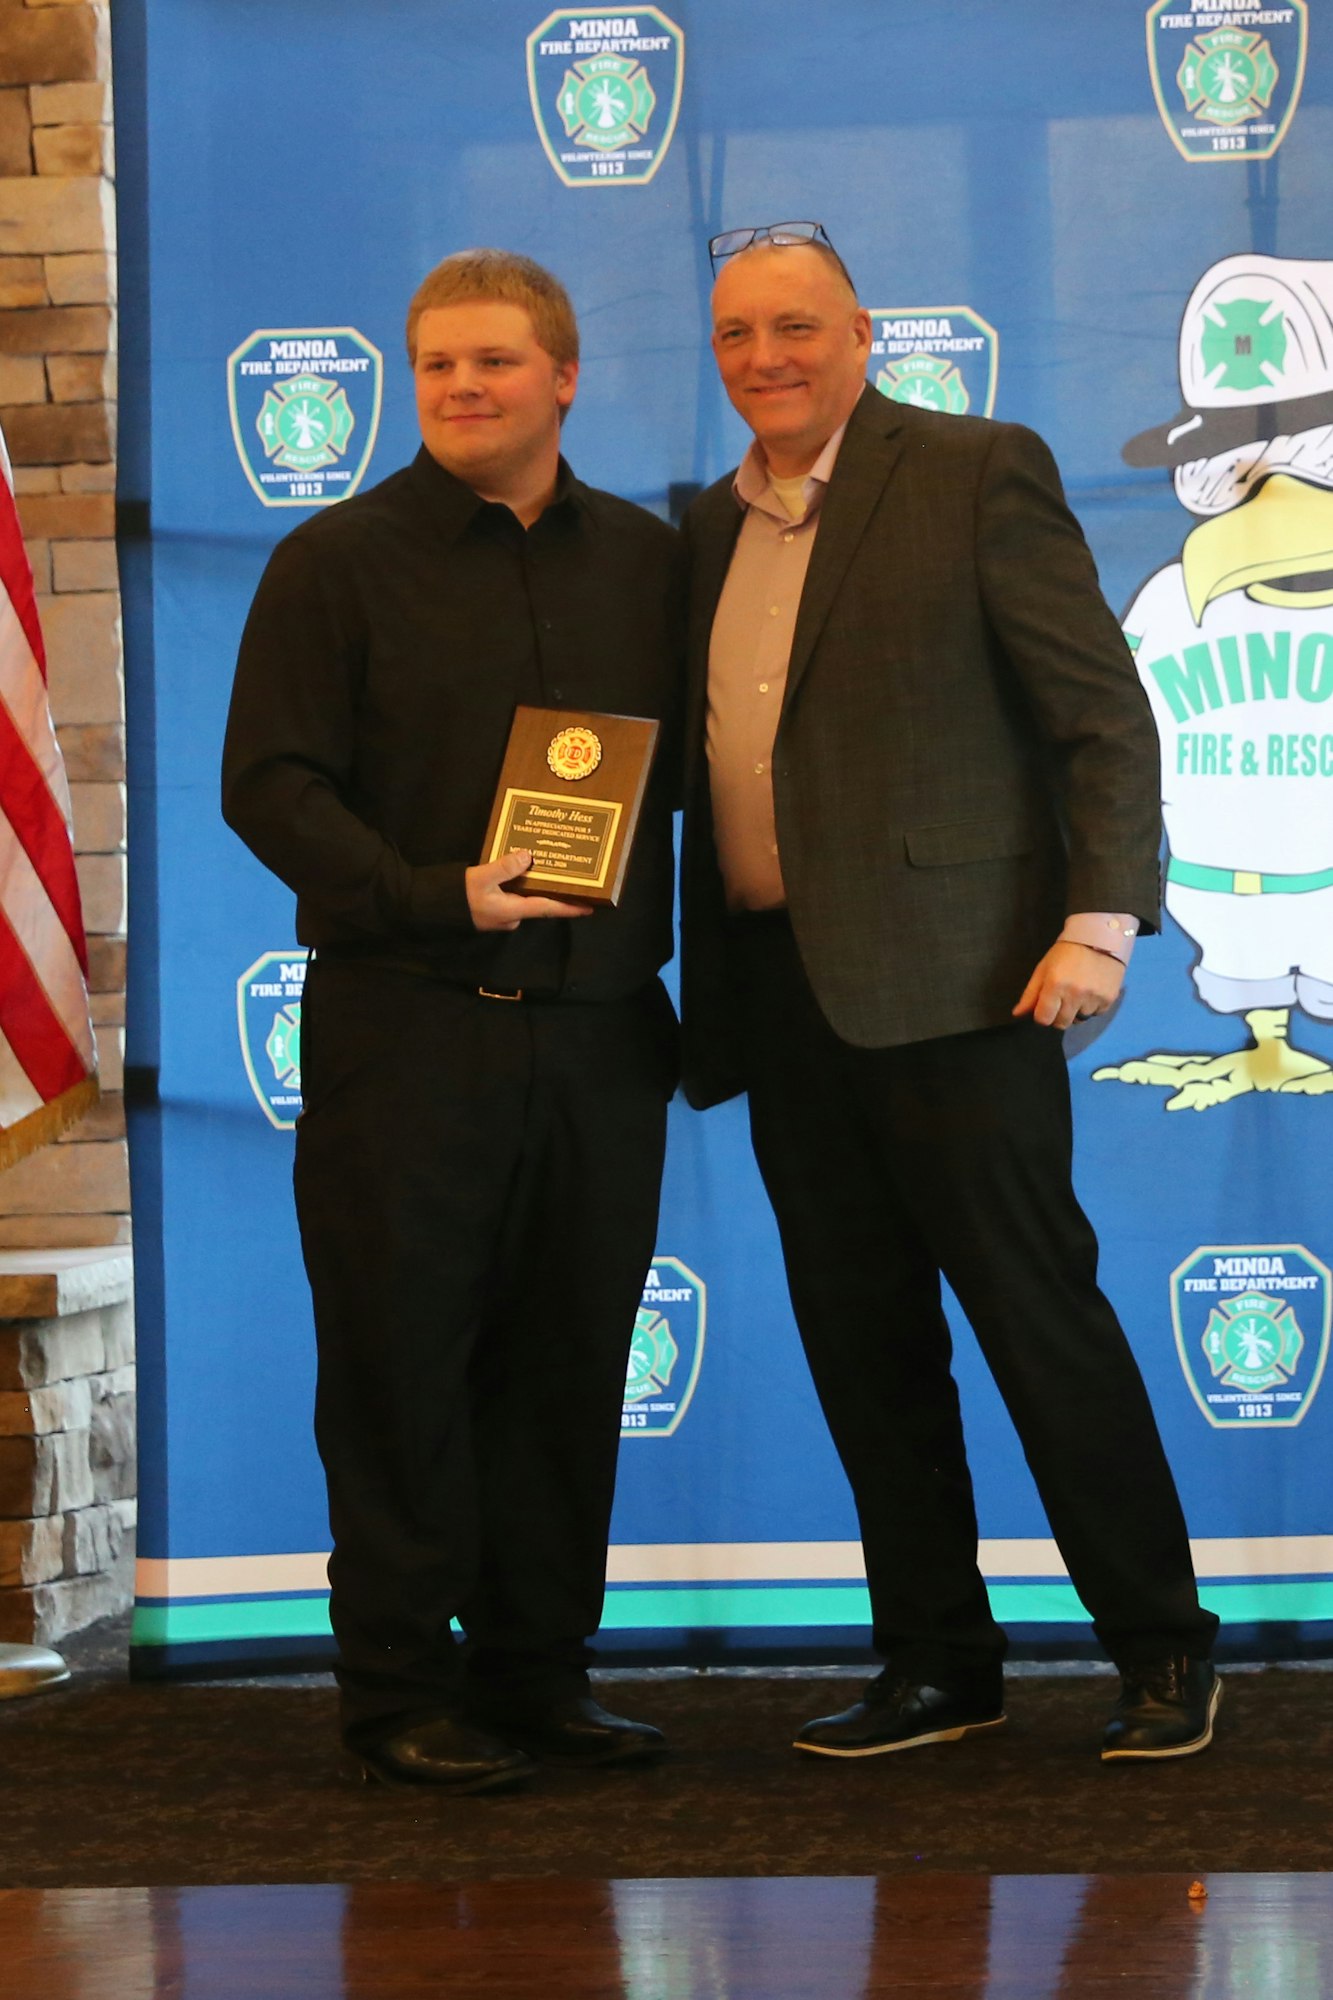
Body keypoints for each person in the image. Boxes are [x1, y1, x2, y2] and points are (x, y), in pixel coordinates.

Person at [678, 223, 1220, 1762]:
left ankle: (1162, 1653)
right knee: (865, 1351)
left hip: (974, 988)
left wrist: (1100, 921)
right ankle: (936, 1664)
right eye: (734, 335)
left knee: (1038, 1325)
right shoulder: (706, 529)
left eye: (793, 326)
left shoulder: (977, 467)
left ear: (861, 332)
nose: (764, 358)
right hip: (783, 998)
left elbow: (1102, 722)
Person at [223, 250, 681, 1792]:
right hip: (405, 1025)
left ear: (563, 376)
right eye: (435, 366)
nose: (461, 388)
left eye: (492, 361)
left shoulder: (649, 561)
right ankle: (399, 1690)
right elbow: (269, 786)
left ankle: (541, 1677)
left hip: (602, 1041)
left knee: (565, 1368)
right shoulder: (332, 562)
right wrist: (437, 892)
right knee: (399, 1363)